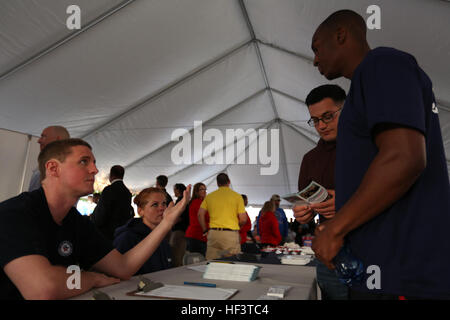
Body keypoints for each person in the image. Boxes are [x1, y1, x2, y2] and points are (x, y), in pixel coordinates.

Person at [308, 9, 450, 299]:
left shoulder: (383, 63)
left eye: (317, 48)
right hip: (379, 271)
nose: (314, 60)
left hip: (400, 275)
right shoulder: (367, 84)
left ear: (341, 35)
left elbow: (404, 158)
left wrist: (336, 228)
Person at [0, 138, 191, 299]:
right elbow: (42, 288)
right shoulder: (14, 214)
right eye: (84, 162)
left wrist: (165, 224)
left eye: (93, 162)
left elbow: (123, 267)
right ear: (53, 168)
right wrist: (91, 278)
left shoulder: (74, 221)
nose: (95, 169)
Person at [293, 84, 348, 300]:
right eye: (315, 120)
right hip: (328, 256)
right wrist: (302, 213)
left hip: (369, 252)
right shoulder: (310, 159)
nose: (322, 126)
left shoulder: (368, 148)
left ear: (346, 110)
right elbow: (303, 203)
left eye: (328, 116)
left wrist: (345, 202)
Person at [113, 188, 172, 274]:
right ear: (140, 211)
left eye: (164, 204)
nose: (162, 208)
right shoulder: (127, 238)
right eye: (155, 204)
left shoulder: (162, 237)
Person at [197, 173, 247, 260]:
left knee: (211, 263)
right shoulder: (237, 197)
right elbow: (243, 219)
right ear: (229, 182)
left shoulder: (209, 196)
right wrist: (238, 228)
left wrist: (205, 230)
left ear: (217, 183)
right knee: (232, 262)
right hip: (230, 234)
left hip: (213, 234)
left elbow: (200, 214)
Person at [91, 165, 134, 242]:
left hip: (107, 234)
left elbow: (101, 213)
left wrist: (93, 222)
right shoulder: (127, 192)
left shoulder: (109, 190)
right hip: (121, 234)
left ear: (111, 175)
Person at [28, 125, 70, 191]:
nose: (39, 141)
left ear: (57, 140)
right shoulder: (44, 163)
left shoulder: (66, 167)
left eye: (43, 136)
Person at [185, 183, 209, 256]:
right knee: (199, 261)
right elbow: (202, 216)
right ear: (196, 191)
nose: (204, 191)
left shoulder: (200, 202)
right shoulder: (197, 202)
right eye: (202, 189)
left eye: (205, 189)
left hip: (197, 236)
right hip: (197, 235)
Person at [169, 183, 190, 267]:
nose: (174, 191)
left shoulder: (180, 201)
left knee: (176, 255)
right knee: (180, 254)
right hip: (183, 230)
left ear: (178, 190)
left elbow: (179, 217)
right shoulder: (185, 201)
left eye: (175, 189)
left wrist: (170, 222)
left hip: (179, 230)